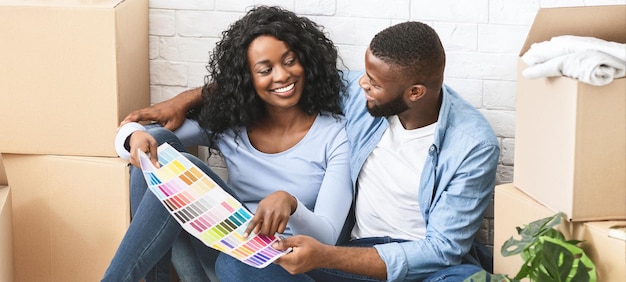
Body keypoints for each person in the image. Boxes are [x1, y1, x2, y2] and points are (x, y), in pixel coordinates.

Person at [123, 21, 500, 282]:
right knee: (239, 268)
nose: (359, 84)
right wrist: (187, 98)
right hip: (357, 256)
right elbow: (271, 82)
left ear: (414, 93)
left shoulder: (472, 145)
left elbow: (442, 250)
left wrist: (325, 254)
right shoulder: (366, 95)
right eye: (364, 75)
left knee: (470, 279)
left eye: (373, 83)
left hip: (424, 266)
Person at [102, 6, 353, 282]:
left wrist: (291, 205)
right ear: (248, 79)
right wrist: (133, 137)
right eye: (265, 69)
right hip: (221, 248)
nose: (282, 76)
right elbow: (137, 132)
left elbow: (328, 237)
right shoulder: (232, 124)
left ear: (306, 61)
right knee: (158, 144)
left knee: (237, 265)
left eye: (290, 61)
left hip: (280, 264)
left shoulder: (333, 134)